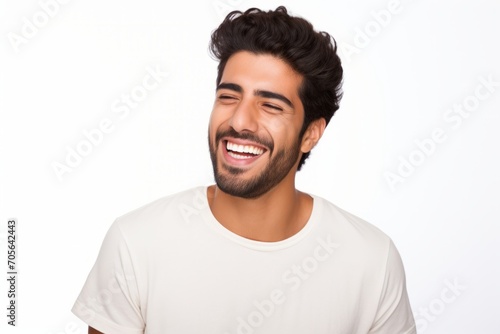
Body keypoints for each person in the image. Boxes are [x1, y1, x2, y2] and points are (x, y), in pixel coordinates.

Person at [72, 6, 416, 334]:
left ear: (310, 133)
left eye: (270, 105)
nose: (239, 120)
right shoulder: (136, 242)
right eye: (228, 96)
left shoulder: (371, 261)